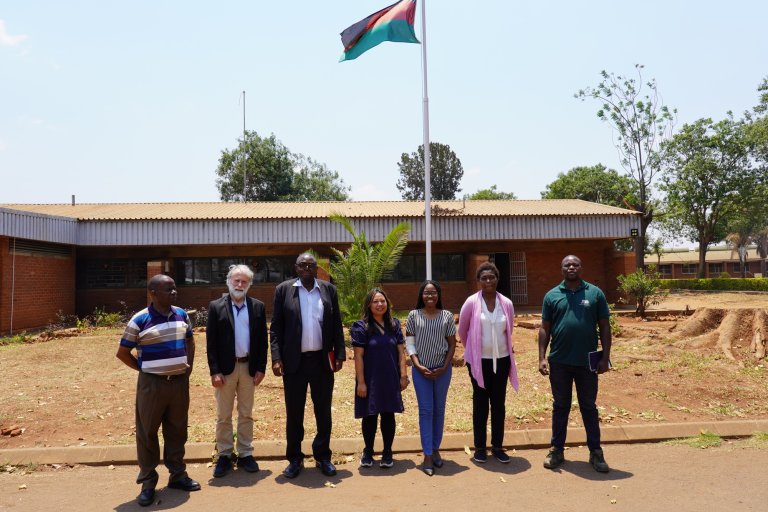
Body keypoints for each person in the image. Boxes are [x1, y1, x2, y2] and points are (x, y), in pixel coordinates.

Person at [115, 275, 201, 507]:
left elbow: (190, 341)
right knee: (147, 433)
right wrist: (144, 369)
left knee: (177, 430)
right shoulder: (140, 319)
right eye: (168, 289)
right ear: (153, 293)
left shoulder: (181, 314)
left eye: (174, 288)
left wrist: (189, 367)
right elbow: (123, 352)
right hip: (152, 385)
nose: (174, 292)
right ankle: (148, 482)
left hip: (179, 383)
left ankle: (178, 475)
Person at [270, 253, 346, 479]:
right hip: (294, 362)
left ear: (316, 269)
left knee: (323, 411)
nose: (306, 268)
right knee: (294, 412)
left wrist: (340, 353)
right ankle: (295, 458)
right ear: (296, 268)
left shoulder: (328, 290)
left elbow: (336, 324)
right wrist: (276, 357)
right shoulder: (284, 290)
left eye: (311, 265)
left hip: (322, 362)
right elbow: (276, 328)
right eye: (302, 265)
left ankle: (323, 456)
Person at [538, 255, 612, 473]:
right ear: (561, 269)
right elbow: (544, 328)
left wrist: (605, 357)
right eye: (567, 265)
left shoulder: (595, 294)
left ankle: (596, 452)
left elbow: (605, 326)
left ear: (581, 268)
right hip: (559, 361)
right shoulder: (552, 295)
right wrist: (542, 357)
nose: (571, 267)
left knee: (588, 407)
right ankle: (556, 450)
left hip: (587, 362)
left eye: (575, 264)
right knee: (560, 406)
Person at [206, 264, 268, 478]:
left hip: (249, 368)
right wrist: (214, 370)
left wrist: (261, 367)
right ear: (229, 282)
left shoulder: (257, 307)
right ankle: (224, 454)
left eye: (244, 281)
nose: (240, 284)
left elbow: (262, 341)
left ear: (249, 284)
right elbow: (211, 343)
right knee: (223, 415)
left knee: (246, 413)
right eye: (236, 281)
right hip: (225, 370)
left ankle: (245, 453)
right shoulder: (216, 307)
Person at [458, 261, 519, 464]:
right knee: (480, 403)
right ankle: (480, 448)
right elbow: (463, 330)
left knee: (499, 404)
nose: (488, 281)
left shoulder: (506, 303)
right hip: (478, 362)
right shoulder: (471, 302)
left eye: (491, 277)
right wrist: (473, 349)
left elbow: (509, 329)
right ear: (478, 281)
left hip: (502, 360)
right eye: (484, 278)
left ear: (497, 279)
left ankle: (498, 446)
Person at [351, 288, 408, 469]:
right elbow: (358, 356)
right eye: (375, 301)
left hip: (390, 377)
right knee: (370, 415)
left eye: (382, 301)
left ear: (387, 303)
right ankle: (368, 451)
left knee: (388, 414)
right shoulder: (361, 327)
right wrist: (361, 382)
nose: (380, 304)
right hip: (369, 379)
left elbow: (401, 352)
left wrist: (403, 375)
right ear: (369, 305)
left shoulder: (394, 324)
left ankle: (387, 451)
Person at [405, 280, 457, 476]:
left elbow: (452, 344)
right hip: (421, 372)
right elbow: (410, 343)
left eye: (433, 293)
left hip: (442, 371)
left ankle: (435, 449)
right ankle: (427, 454)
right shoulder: (413, 315)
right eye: (426, 293)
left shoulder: (447, 316)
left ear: (438, 295)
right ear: (421, 295)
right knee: (426, 411)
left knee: (439, 410)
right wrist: (417, 365)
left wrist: (444, 366)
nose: (430, 296)